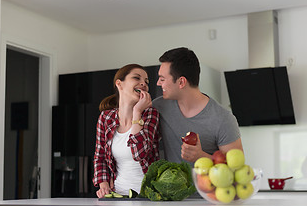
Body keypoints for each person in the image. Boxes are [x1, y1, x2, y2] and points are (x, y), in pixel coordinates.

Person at [153, 47, 243, 165]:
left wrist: (201, 156)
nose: (158, 83)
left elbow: (236, 168)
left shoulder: (223, 119)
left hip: (204, 184)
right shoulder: (158, 107)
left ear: (181, 82)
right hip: (170, 183)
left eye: (162, 79)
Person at [93, 64, 160, 198]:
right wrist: (103, 183)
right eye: (136, 78)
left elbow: (140, 154)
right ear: (119, 84)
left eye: (146, 82)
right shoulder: (106, 118)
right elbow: (99, 156)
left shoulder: (150, 115)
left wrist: (137, 112)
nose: (143, 84)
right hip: (117, 194)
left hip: (148, 195)